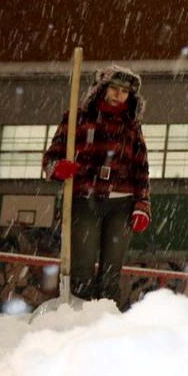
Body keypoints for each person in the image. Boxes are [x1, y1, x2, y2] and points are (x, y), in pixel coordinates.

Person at [43, 65, 152, 309]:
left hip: (122, 204)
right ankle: (79, 318)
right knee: (81, 267)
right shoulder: (76, 119)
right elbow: (51, 158)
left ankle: (107, 321)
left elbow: (141, 169)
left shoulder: (132, 127)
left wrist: (142, 204)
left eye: (124, 91)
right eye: (114, 88)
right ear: (101, 89)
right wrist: (57, 168)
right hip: (84, 200)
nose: (118, 95)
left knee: (112, 271)